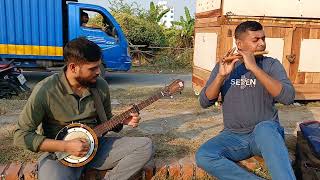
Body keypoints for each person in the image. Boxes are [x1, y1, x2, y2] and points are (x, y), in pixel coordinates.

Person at [14, 37, 153, 180]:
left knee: (145, 146)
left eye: (99, 66)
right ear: (73, 67)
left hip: (97, 147)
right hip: (61, 155)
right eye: (92, 68)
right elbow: (21, 135)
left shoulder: (100, 85)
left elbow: (106, 121)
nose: (98, 72)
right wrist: (66, 146)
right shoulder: (45, 90)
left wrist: (122, 121)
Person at [195, 21, 296, 180]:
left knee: (266, 128)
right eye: (256, 40)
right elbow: (204, 102)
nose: (262, 43)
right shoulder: (225, 66)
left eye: (263, 38)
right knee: (204, 155)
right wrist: (221, 76)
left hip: (264, 135)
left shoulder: (271, 64)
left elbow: (288, 97)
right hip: (233, 136)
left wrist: (254, 68)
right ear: (239, 44)